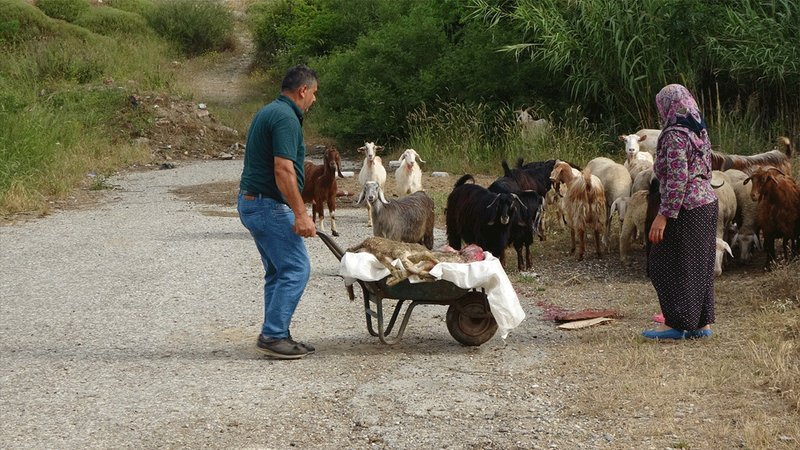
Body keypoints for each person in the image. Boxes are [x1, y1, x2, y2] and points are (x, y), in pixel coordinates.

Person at [237, 65, 319, 359]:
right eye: (314, 93)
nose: (314, 100)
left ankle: (276, 333)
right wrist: (301, 214)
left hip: (255, 202)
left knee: (278, 271)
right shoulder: (286, 118)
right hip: (267, 205)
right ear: (302, 90)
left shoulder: (271, 111)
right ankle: (273, 335)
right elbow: (283, 169)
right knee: (296, 268)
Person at [642, 84, 717, 341]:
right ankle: (701, 323)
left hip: (686, 207)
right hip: (707, 203)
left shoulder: (674, 135)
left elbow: (677, 178)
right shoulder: (698, 129)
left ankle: (676, 323)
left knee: (661, 263)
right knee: (698, 264)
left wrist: (663, 215)